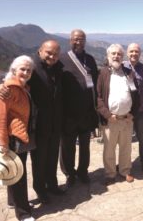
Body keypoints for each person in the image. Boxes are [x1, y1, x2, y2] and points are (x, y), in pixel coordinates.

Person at [0, 40, 65, 204]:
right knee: (39, 161)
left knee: (52, 158)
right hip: (37, 126)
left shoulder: (60, 68)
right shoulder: (32, 68)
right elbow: (13, 81)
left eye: (55, 54)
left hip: (55, 124)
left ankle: (52, 185)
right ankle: (40, 189)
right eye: (48, 52)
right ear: (40, 51)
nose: (52, 56)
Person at [0, 55, 35, 221]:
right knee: (19, 174)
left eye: (28, 70)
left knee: (12, 171)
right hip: (10, 137)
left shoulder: (24, 87)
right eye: (22, 69)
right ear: (13, 70)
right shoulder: (8, 89)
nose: (25, 72)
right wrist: (3, 144)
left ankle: (13, 202)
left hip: (17, 134)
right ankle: (23, 213)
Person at [59, 29, 99, 187]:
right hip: (68, 114)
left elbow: (95, 83)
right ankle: (69, 174)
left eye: (81, 39)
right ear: (70, 40)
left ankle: (83, 171)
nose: (78, 42)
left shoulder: (90, 59)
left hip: (87, 113)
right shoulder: (62, 59)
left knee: (85, 146)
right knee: (67, 147)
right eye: (76, 39)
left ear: (85, 41)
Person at [97, 44, 139, 185]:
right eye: (113, 54)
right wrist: (107, 115)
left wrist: (132, 113)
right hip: (111, 119)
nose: (116, 56)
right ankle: (110, 174)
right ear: (108, 56)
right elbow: (98, 97)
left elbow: (135, 94)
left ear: (123, 57)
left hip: (127, 118)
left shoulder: (128, 72)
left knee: (126, 147)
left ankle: (125, 171)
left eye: (119, 54)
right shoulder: (103, 73)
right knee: (109, 149)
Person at [123, 43, 143, 173]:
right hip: (125, 111)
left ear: (140, 54)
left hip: (140, 111)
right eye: (131, 51)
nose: (134, 54)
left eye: (136, 51)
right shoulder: (121, 67)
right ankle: (125, 164)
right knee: (125, 140)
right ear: (127, 53)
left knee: (142, 138)